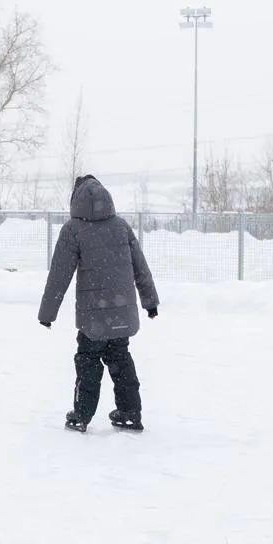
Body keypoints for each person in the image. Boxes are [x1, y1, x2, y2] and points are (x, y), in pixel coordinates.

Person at [38, 174, 160, 432]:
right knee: (120, 358)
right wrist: (150, 302)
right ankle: (130, 412)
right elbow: (141, 268)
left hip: (93, 318)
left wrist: (47, 314)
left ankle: (81, 415)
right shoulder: (121, 227)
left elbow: (59, 275)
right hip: (121, 314)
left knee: (88, 361)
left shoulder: (73, 230)